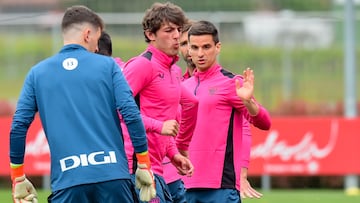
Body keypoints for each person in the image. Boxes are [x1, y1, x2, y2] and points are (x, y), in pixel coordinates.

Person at [9, 5, 155, 203]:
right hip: (113, 177)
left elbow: (18, 126)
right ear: (88, 34)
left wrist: (18, 177)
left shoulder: (37, 73)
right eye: (97, 38)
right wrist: (144, 164)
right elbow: (130, 113)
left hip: (68, 182)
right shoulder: (108, 66)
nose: (97, 47)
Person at [182, 20, 271, 203]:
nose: (200, 53)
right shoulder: (183, 87)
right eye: (195, 48)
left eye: (206, 47)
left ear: (218, 47)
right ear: (188, 50)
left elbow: (264, 122)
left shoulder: (232, 83)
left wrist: (248, 102)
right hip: (185, 185)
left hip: (221, 186)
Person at [121, 2, 198, 203]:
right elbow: (119, 109)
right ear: (150, 35)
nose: (177, 36)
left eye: (179, 30)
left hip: (157, 168)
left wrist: (173, 155)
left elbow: (164, 119)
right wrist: (159, 126)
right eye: (169, 30)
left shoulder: (173, 70)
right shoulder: (141, 66)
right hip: (134, 167)